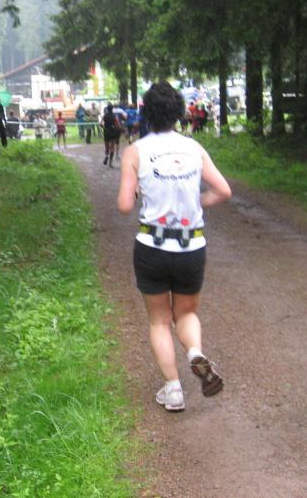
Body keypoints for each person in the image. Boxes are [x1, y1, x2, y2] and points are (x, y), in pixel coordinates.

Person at [117, 81, 232, 412]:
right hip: (190, 245)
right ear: (180, 112)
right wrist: (197, 202)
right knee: (187, 313)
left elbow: (124, 206)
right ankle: (195, 352)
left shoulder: (135, 151)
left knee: (159, 321)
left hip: (151, 246)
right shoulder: (194, 149)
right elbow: (223, 191)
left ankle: (173, 390)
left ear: (147, 114)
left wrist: (138, 192)